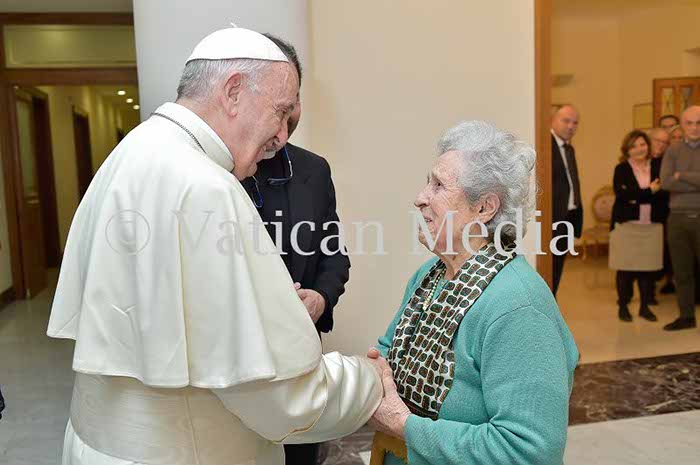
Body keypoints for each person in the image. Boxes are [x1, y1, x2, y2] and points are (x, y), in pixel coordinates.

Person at [46, 27, 386, 465]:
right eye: (280, 112)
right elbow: (283, 399)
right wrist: (368, 379)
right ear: (233, 91)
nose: (282, 136)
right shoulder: (207, 187)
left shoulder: (132, 151)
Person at [368, 121, 579, 465]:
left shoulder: (519, 307)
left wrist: (404, 426)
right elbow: (389, 351)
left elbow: (529, 451)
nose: (420, 198)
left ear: (484, 208)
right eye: (427, 182)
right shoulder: (430, 275)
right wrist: (365, 371)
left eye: (438, 185)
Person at [242, 33, 352, 465]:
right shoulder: (214, 172)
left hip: (299, 358)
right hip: (239, 362)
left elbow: (334, 255)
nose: (289, 116)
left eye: (295, 102)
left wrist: (321, 298)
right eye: (279, 106)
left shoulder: (313, 170)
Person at [611, 130, 665, 322]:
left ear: (648, 146)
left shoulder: (658, 166)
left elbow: (663, 194)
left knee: (647, 269)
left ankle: (644, 307)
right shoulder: (621, 169)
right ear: (627, 150)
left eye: (642, 144)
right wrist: (650, 191)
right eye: (634, 146)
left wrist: (637, 195)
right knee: (625, 269)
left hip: (652, 226)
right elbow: (623, 195)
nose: (639, 149)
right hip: (627, 226)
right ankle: (623, 306)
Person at [660, 105, 700, 331]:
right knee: (682, 271)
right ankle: (686, 316)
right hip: (677, 218)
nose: (694, 127)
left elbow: (675, 180)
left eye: (699, 123)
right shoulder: (673, 151)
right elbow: (666, 182)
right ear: (682, 125)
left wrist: (681, 175)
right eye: (689, 123)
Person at [551, 104, 583, 296]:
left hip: (567, 218)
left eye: (575, 123)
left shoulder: (568, 149)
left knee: (557, 270)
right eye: (566, 121)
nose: (571, 126)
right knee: (549, 271)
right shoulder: (545, 145)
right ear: (553, 120)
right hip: (551, 220)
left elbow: (572, 182)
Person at [648, 128, 674, 296]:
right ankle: (648, 289)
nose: (661, 145)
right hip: (645, 213)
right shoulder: (641, 160)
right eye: (658, 140)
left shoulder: (669, 161)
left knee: (666, 250)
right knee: (649, 252)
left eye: (665, 142)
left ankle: (668, 281)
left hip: (665, 211)